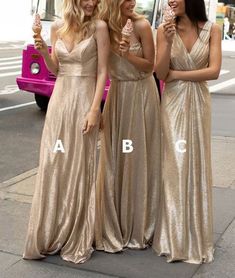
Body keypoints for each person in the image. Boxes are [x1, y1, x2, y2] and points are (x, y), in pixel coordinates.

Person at [23, 0, 109, 264]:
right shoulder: (58, 27)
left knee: (80, 165)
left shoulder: (100, 27)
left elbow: (104, 71)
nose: (92, 2)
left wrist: (95, 109)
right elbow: (55, 69)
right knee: (54, 163)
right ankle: (51, 228)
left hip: (84, 100)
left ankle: (75, 230)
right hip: (60, 101)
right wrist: (43, 51)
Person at [153, 0, 222, 264]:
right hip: (171, 104)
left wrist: (177, 75)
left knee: (196, 163)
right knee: (175, 165)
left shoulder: (212, 29)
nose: (171, 1)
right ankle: (174, 235)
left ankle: (195, 234)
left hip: (199, 103)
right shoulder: (163, 30)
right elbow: (160, 73)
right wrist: (168, 42)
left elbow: (214, 71)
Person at [95, 0, 161, 252]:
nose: (131, 2)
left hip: (141, 94)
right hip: (118, 95)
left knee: (136, 157)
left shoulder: (142, 25)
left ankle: (138, 223)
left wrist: (127, 54)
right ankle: (114, 221)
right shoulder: (103, 26)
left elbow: (150, 66)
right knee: (115, 158)